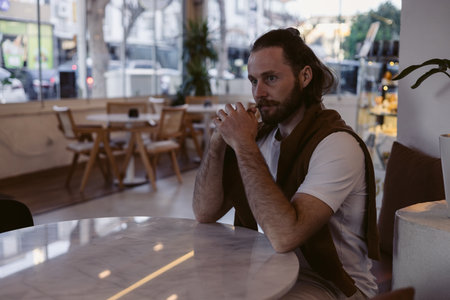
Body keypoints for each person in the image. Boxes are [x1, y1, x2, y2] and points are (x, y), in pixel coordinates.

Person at [192, 28, 380, 299]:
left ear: (304, 76)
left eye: (270, 78)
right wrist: (218, 140)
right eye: (253, 81)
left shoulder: (336, 144)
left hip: (331, 283)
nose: (259, 92)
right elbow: (204, 212)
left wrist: (243, 144)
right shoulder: (261, 136)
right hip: (272, 269)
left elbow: (284, 236)